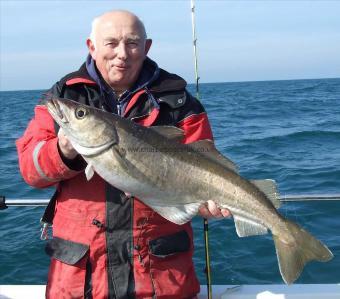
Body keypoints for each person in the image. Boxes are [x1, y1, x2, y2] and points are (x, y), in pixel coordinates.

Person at [16, 10, 230, 299]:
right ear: (91, 46)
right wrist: (63, 150)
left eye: (132, 43)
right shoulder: (64, 97)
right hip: (80, 279)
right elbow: (30, 169)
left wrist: (205, 204)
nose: (122, 54)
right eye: (111, 43)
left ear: (147, 47)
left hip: (160, 278)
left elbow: (206, 161)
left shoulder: (178, 102)